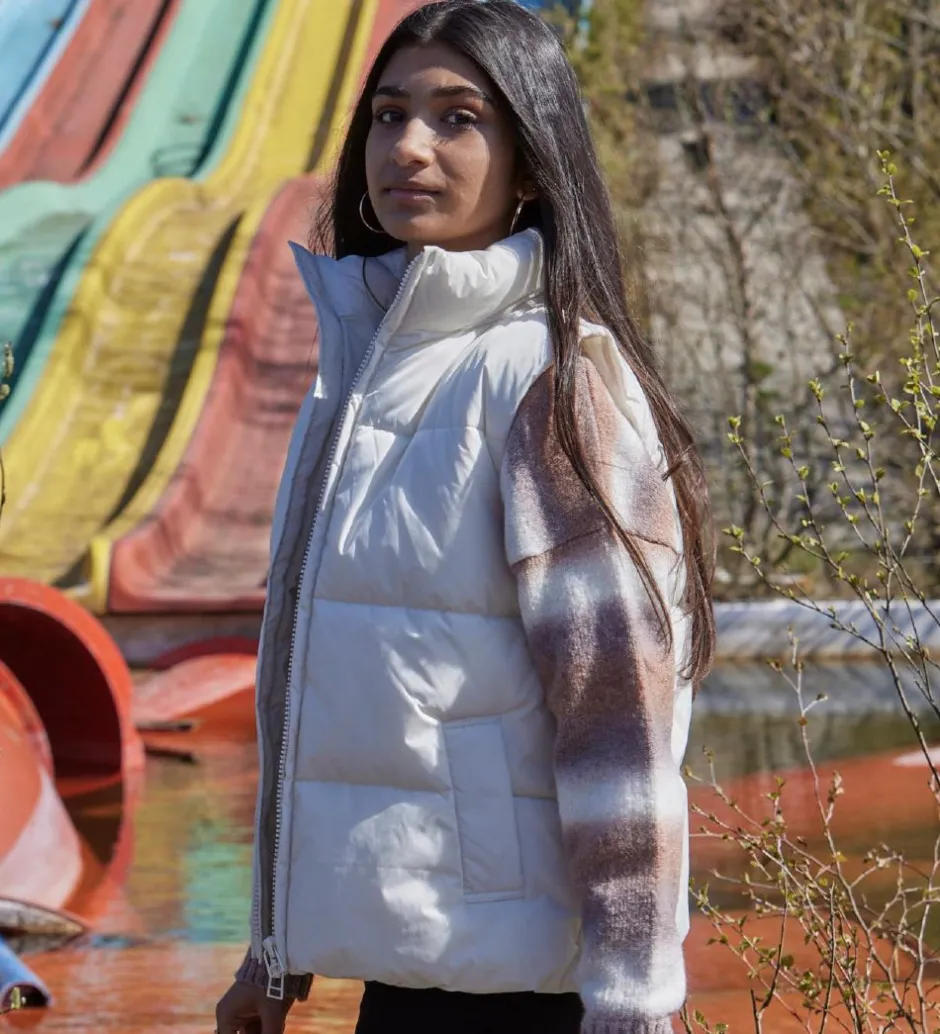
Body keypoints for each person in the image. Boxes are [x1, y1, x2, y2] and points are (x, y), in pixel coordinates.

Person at [215, 1, 715, 1031]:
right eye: (388, 114)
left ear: (529, 163)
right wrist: (271, 953)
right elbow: (312, 697)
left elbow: (618, 716)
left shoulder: (548, 379)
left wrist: (632, 1001)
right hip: (409, 972)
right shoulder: (359, 376)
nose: (408, 145)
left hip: (529, 994)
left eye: (457, 118)